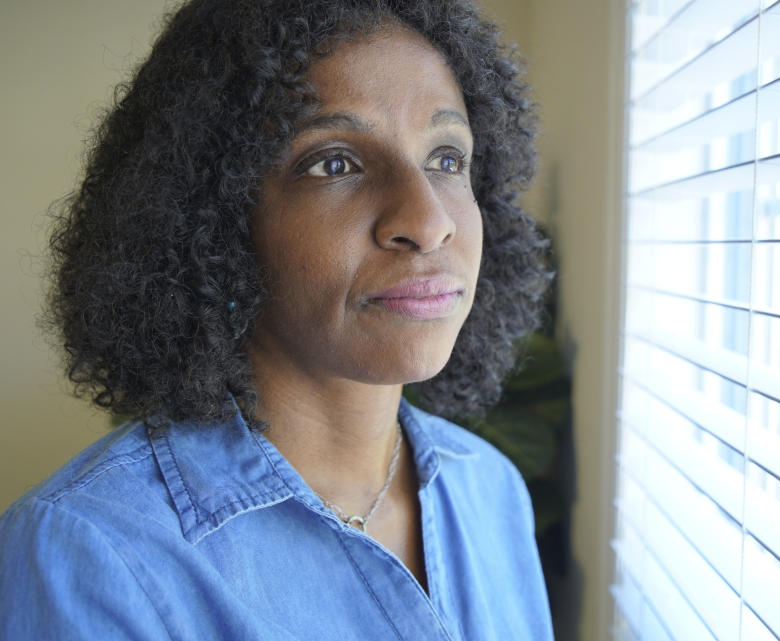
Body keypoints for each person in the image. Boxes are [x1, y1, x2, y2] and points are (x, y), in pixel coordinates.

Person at [0, 1, 554, 639]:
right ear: (214, 222)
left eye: (447, 159)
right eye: (334, 163)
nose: (429, 221)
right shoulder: (96, 549)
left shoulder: (490, 489)